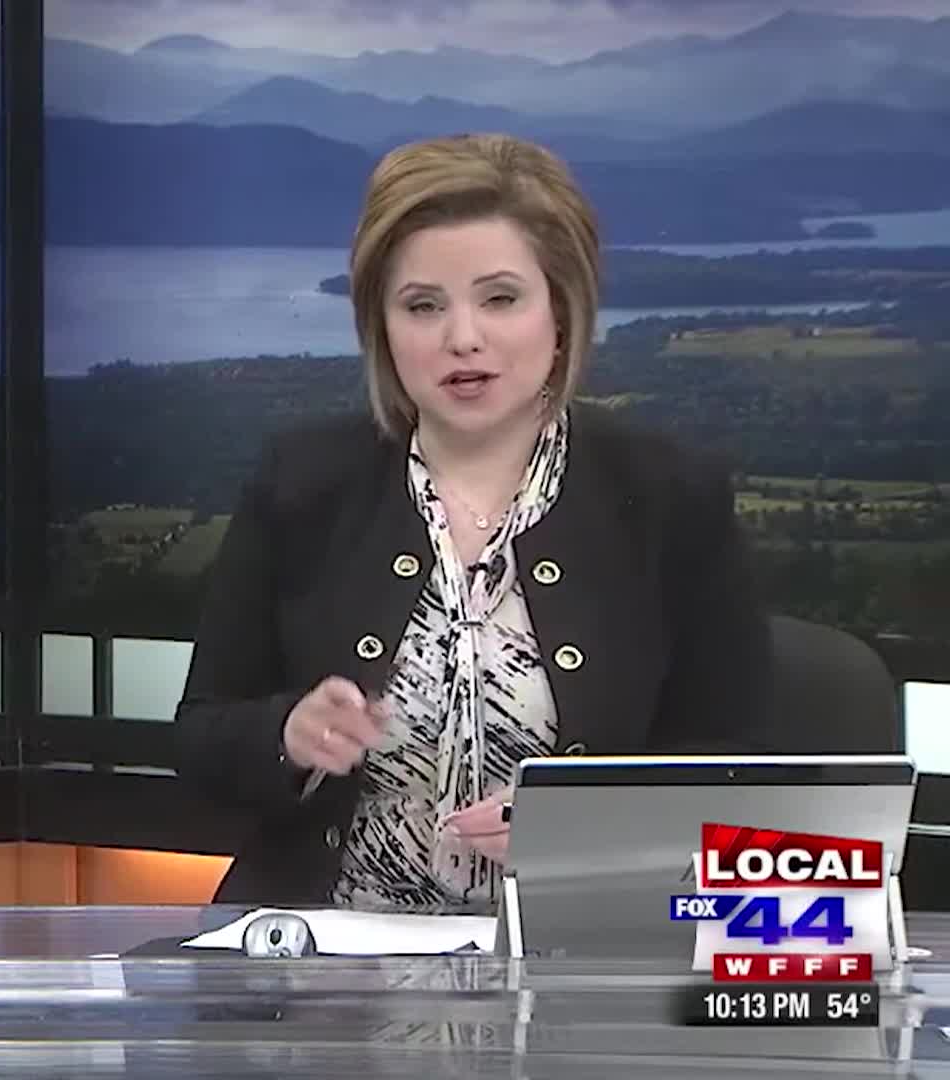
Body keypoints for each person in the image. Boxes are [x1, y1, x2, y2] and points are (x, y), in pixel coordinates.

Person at [174, 133, 769, 911]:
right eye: (423, 306)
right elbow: (201, 737)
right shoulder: (302, 484)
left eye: (500, 298)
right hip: (328, 968)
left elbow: (738, 774)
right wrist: (286, 734)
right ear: (381, 328)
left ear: (562, 312)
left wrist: (586, 829)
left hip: (574, 969)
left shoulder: (668, 497)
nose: (462, 338)